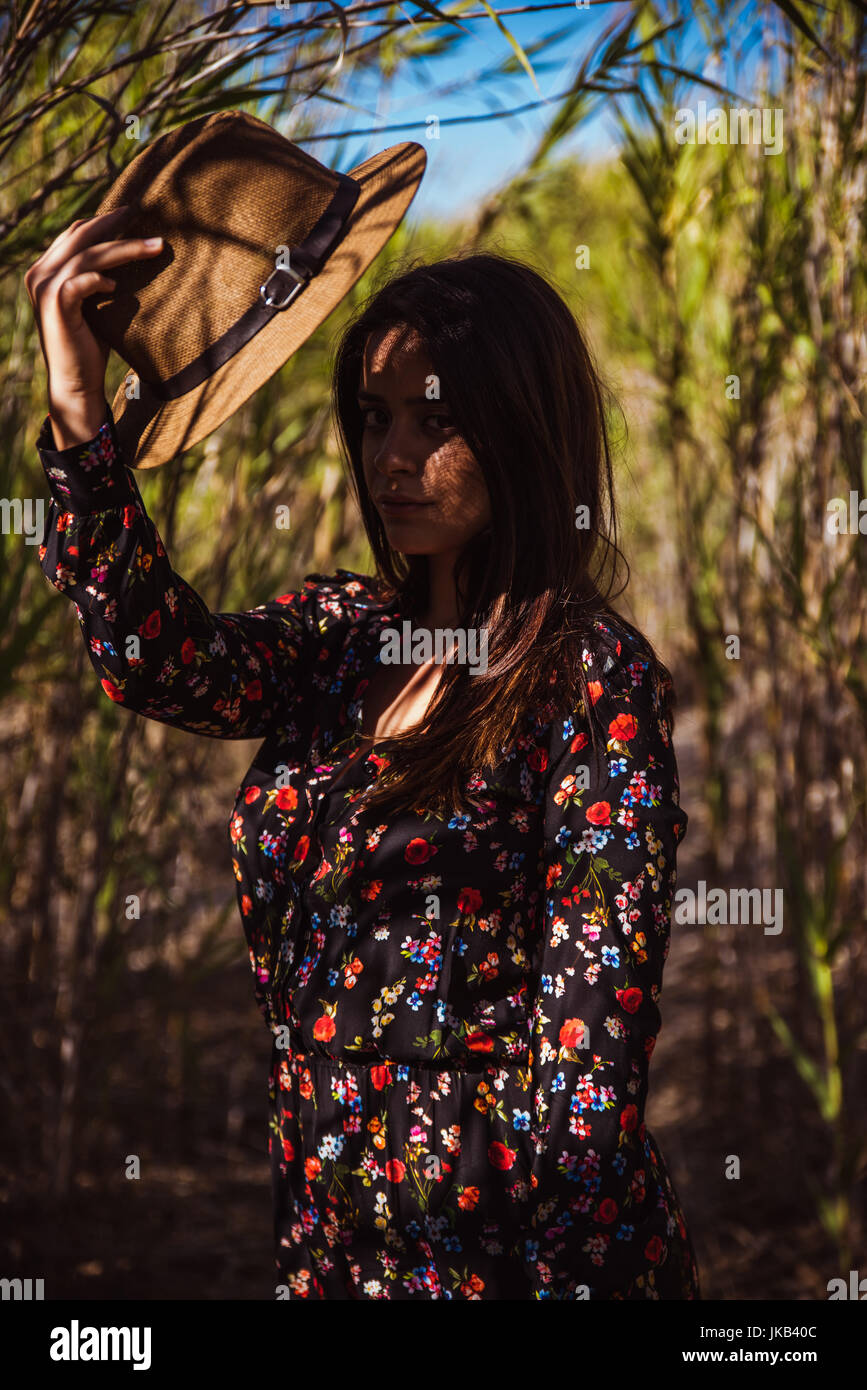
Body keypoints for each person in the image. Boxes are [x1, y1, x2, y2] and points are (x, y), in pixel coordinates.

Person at [26, 214, 701, 1300]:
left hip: (508, 1259)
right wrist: (77, 406)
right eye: (374, 418)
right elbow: (159, 659)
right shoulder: (340, 636)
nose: (392, 457)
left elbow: (591, 1062)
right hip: (333, 1235)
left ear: (522, 425)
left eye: (435, 420)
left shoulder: (589, 679)